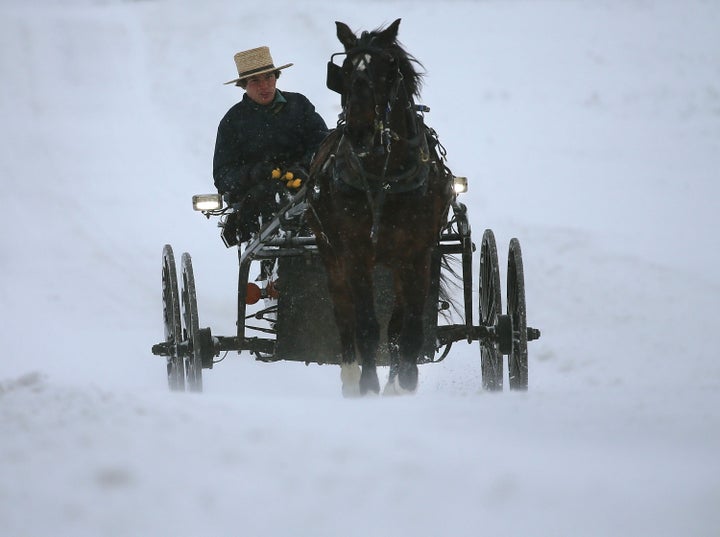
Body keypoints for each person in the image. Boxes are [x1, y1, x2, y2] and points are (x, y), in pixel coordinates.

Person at [213, 46, 329, 244]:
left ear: (276, 77)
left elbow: (322, 144)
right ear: (243, 85)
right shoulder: (233, 121)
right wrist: (255, 173)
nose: (264, 86)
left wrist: (303, 167)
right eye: (255, 81)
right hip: (257, 199)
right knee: (270, 195)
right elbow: (223, 176)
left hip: (307, 186)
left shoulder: (299, 105)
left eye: (268, 78)